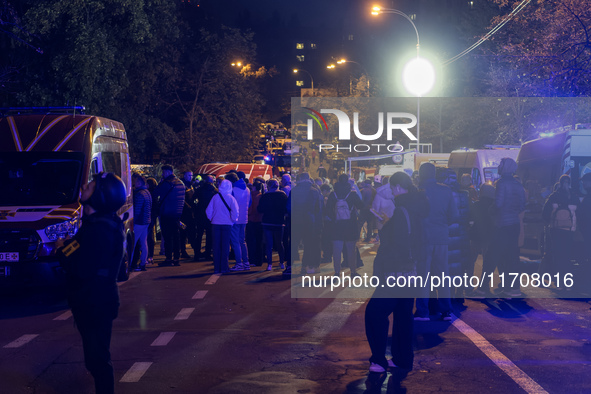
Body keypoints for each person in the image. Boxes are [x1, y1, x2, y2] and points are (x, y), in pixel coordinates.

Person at [56, 173, 126, 394]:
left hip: (95, 301)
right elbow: (75, 248)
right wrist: (65, 249)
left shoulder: (99, 230)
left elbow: (80, 264)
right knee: (95, 359)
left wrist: (61, 250)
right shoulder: (99, 224)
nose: (85, 186)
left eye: (92, 186)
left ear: (100, 196)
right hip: (94, 300)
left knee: (97, 360)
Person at [365, 171, 429, 373]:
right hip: (413, 270)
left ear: (400, 187)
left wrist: (384, 228)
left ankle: (378, 360)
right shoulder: (418, 206)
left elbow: (397, 243)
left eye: (393, 188)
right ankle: (402, 359)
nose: (392, 192)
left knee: (374, 313)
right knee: (403, 315)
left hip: (397, 272)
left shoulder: (402, 210)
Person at [415, 163, 458, 321]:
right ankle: (446, 310)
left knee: (423, 276)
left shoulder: (418, 191)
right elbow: (454, 215)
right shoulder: (446, 190)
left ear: (421, 174)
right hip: (441, 236)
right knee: (442, 275)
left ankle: (423, 311)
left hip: (423, 238)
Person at [490, 158, 526, 297]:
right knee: (513, 256)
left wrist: (491, 209)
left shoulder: (501, 183)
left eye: (500, 164)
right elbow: (522, 205)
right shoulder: (518, 184)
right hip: (514, 223)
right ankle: (515, 287)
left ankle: (505, 287)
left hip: (502, 223)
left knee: (499, 255)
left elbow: (498, 204)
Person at [541, 174, 578, 287]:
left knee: (557, 255)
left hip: (555, 230)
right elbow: (580, 213)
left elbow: (545, 213)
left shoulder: (554, 196)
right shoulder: (574, 196)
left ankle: (558, 282)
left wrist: (549, 223)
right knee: (567, 255)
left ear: (560, 183)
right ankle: (568, 282)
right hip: (569, 230)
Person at [325, 174, 364, 276]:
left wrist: (335, 218)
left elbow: (328, 210)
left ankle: (337, 272)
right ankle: (353, 271)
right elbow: (361, 205)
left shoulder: (333, 195)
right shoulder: (352, 194)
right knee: (351, 250)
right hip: (350, 225)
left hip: (336, 226)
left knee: (336, 250)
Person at [291, 172, 322, 274]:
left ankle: (289, 266)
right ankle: (304, 266)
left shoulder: (294, 190)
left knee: (294, 243)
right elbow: (319, 208)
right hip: (310, 220)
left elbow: (288, 207)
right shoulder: (315, 190)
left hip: (296, 220)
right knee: (308, 245)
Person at [154, 165, 185, 266]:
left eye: (163, 172)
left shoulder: (166, 183)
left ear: (167, 172)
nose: (162, 174)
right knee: (176, 237)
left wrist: (160, 183)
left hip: (166, 213)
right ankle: (176, 258)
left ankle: (168, 259)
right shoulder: (181, 183)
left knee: (167, 237)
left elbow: (155, 193)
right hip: (177, 213)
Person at [206, 179, 239, 274]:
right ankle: (224, 267)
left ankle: (217, 267)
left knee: (216, 246)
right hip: (227, 224)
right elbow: (235, 212)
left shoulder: (215, 197)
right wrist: (233, 220)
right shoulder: (231, 198)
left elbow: (208, 210)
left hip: (215, 224)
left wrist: (212, 218)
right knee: (225, 246)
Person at [258, 179, 288, 271]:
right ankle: (281, 262)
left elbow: (260, 209)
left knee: (269, 244)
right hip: (279, 222)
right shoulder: (283, 195)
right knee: (279, 243)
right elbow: (286, 208)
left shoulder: (265, 196)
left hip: (267, 221)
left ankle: (269, 264)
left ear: (269, 186)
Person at [226, 171, 251, 271]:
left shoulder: (233, 190)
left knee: (235, 242)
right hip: (244, 218)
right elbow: (249, 204)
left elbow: (229, 205)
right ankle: (246, 262)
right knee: (242, 241)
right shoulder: (247, 189)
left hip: (235, 219)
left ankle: (239, 263)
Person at [131, 173, 152, 271]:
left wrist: (132, 221)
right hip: (146, 221)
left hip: (139, 222)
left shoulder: (139, 194)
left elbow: (137, 210)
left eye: (135, 182)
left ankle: (130, 264)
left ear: (139, 182)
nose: (134, 184)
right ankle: (143, 263)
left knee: (133, 243)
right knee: (144, 243)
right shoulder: (147, 192)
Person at [194, 175, 218, 261]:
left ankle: (196, 254)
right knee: (209, 235)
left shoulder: (199, 190)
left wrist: (196, 210)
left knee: (199, 235)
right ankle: (208, 253)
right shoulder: (215, 191)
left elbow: (194, 200)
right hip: (211, 216)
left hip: (200, 214)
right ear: (212, 182)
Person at [246, 177, 265, 266]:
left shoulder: (251, 196)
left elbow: (250, 209)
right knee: (259, 241)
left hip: (251, 220)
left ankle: (252, 260)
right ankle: (259, 260)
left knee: (251, 241)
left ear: (254, 187)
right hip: (260, 221)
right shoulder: (262, 196)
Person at [371, 175, 395, 241]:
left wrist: (377, 216)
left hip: (382, 220)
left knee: (383, 240)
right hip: (393, 220)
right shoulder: (395, 192)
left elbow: (375, 208)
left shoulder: (379, 194)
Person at [146, 177, 159, 264]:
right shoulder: (155, 193)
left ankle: (148, 255)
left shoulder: (148, 194)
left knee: (148, 236)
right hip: (153, 216)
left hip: (148, 217)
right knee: (150, 236)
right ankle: (151, 255)